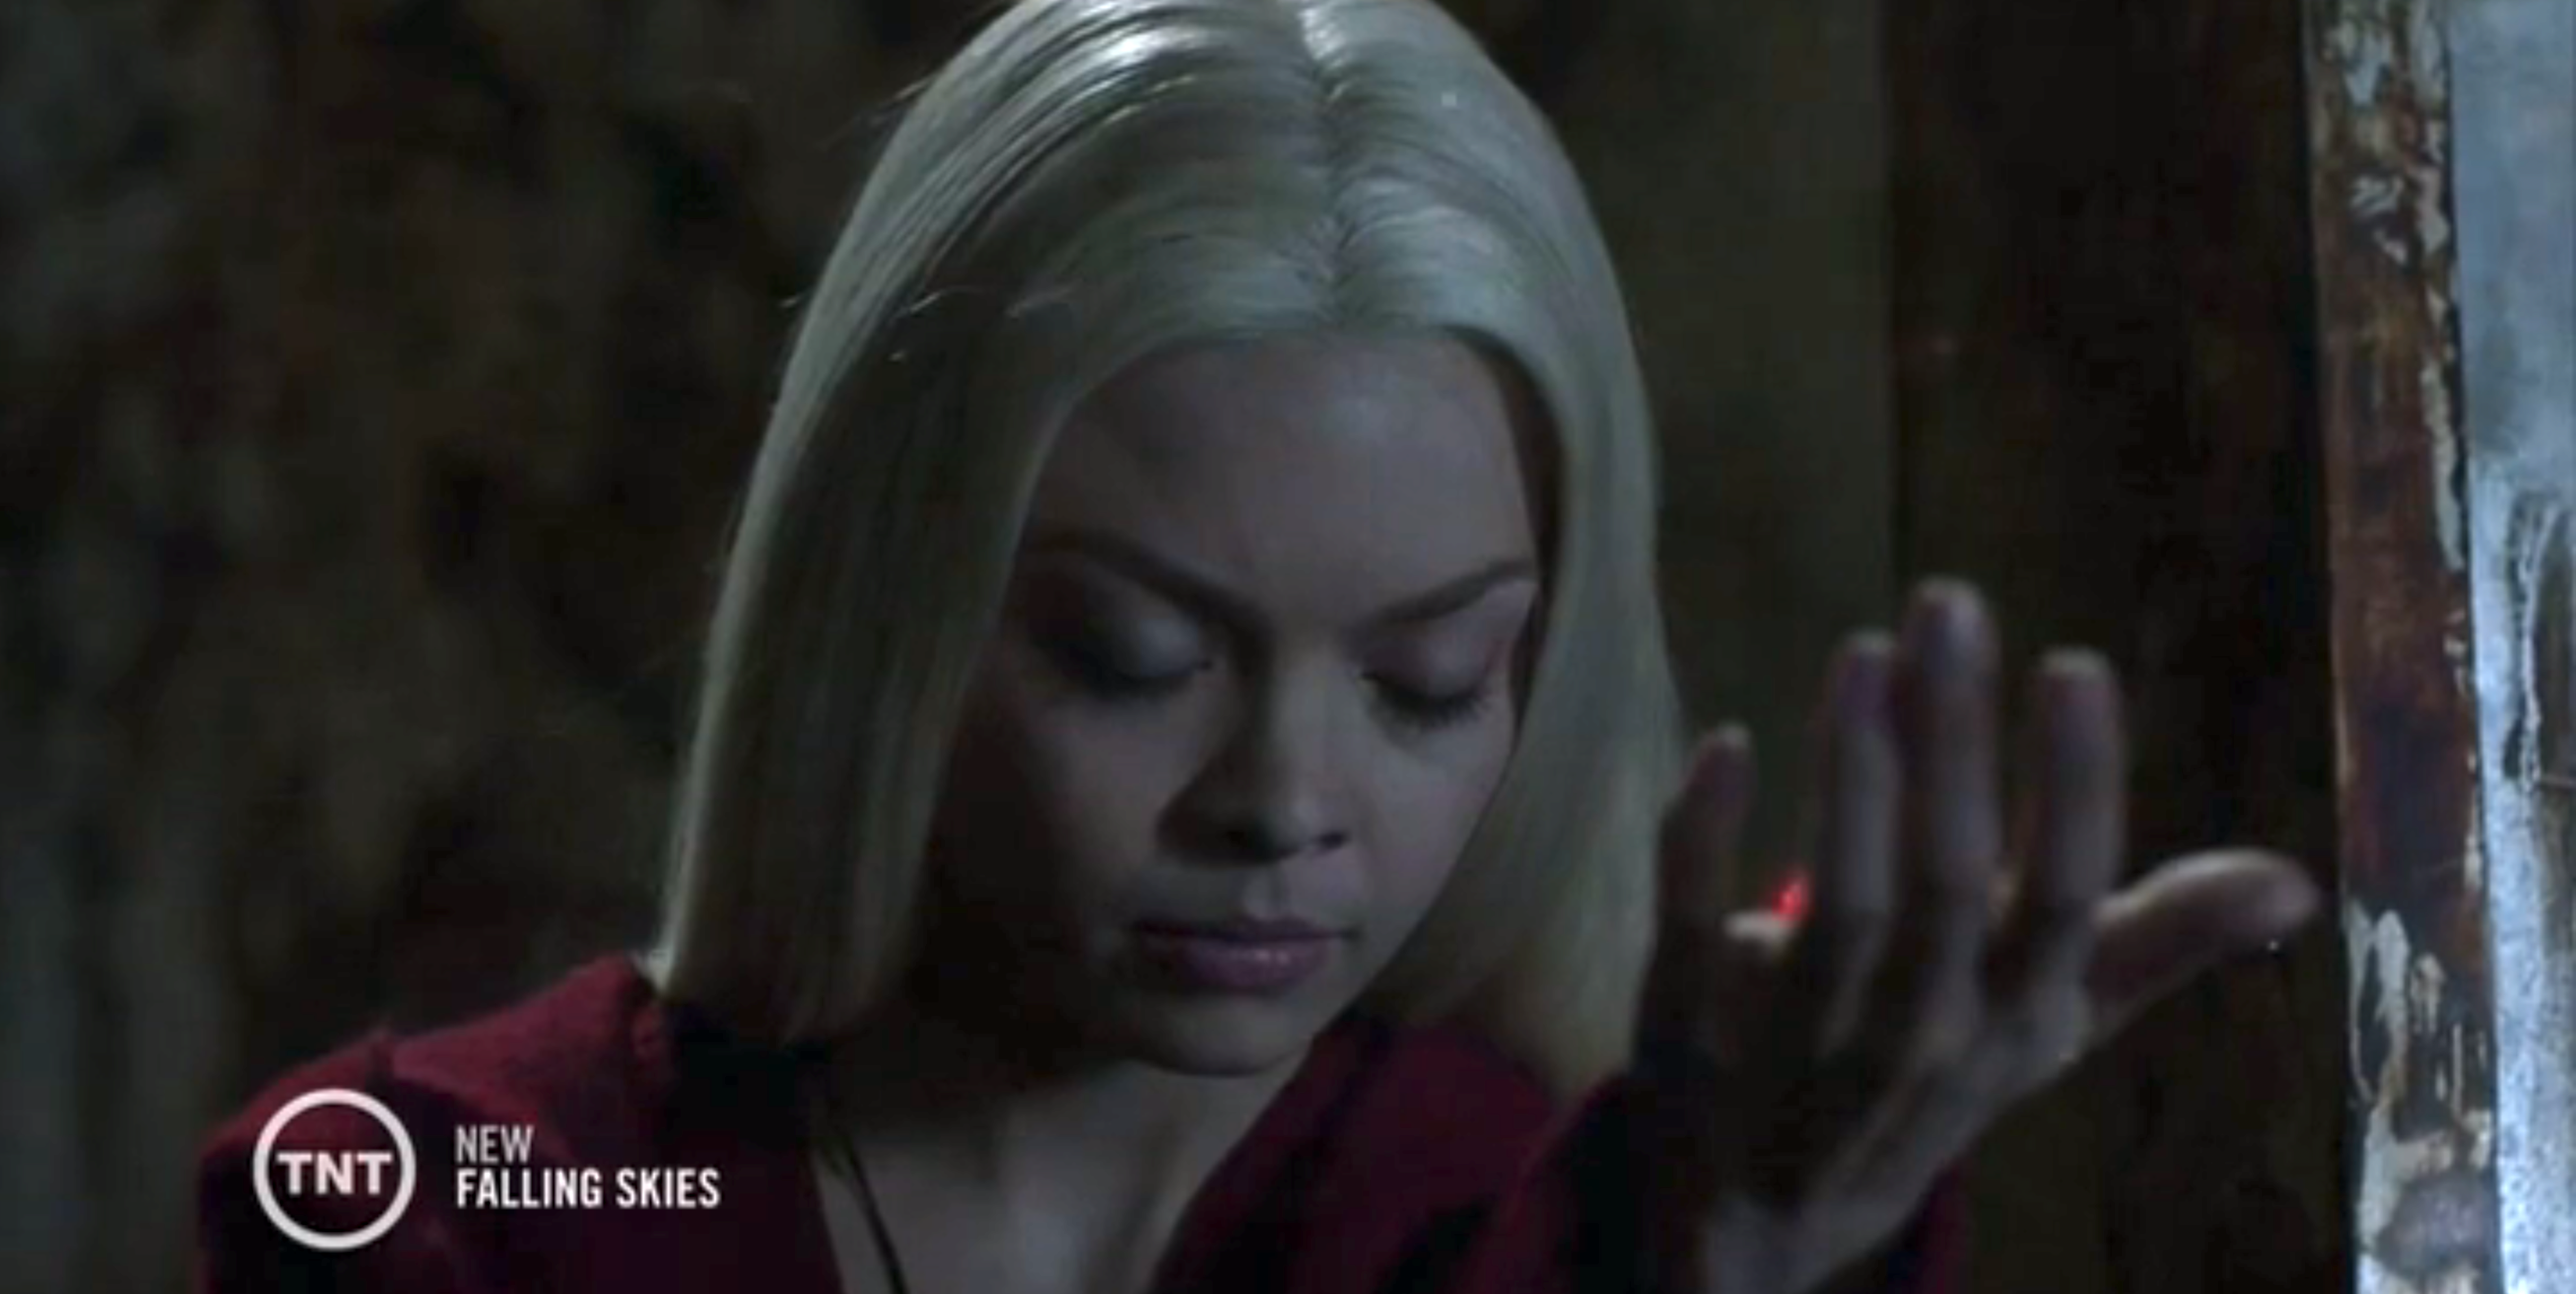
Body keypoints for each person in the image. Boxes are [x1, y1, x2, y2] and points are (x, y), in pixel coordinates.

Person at [195, 0, 2321, 1290]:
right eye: (1132, 654)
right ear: (888, 612)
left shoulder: (1542, 1218)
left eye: (1425, 681)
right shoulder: (454, 1199)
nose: (1285, 805)